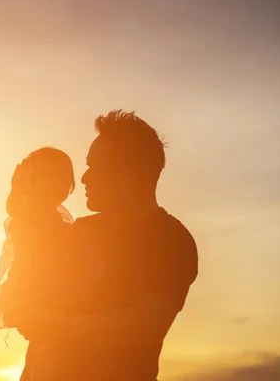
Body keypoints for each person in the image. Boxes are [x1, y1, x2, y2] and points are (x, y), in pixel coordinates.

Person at [17, 110, 199, 380]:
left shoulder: (170, 239)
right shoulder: (79, 231)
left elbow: (145, 326)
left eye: (95, 167)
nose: (84, 179)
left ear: (129, 177)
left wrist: (53, 324)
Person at [0, 147, 76, 378]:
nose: (56, 183)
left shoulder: (53, 215)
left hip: (50, 286)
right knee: (45, 349)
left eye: (63, 178)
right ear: (32, 181)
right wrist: (17, 189)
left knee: (43, 349)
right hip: (35, 284)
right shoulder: (30, 210)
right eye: (47, 176)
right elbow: (14, 208)